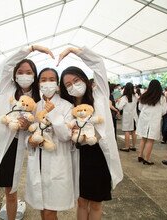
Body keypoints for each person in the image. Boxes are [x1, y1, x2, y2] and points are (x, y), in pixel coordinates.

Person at [0, 45, 53, 220]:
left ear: (34, 76)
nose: (24, 75)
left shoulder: (38, 101)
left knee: (11, 195)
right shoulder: (7, 87)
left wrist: (26, 126)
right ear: (14, 74)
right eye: (20, 71)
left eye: (29, 72)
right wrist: (32, 48)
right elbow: (6, 64)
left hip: (14, 149)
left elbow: (35, 129)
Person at [58, 47, 123, 220]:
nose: (73, 86)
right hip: (79, 155)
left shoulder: (99, 95)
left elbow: (98, 64)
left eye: (76, 80)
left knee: (95, 202)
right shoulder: (67, 106)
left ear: (85, 80)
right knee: (81, 200)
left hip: (99, 155)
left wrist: (74, 50)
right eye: (68, 84)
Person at [26, 68, 74, 219]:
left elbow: (65, 136)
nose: (47, 83)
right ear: (38, 83)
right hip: (38, 162)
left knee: (50, 211)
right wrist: (30, 141)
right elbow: (31, 132)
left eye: (51, 79)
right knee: (42, 207)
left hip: (56, 163)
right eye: (43, 79)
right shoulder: (35, 106)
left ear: (58, 84)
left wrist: (53, 112)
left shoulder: (67, 106)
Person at [136, 80, 167, 165]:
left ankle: (140, 155)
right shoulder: (162, 98)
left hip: (144, 118)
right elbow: (164, 111)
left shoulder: (145, 95)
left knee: (143, 138)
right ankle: (146, 159)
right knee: (150, 139)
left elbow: (140, 107)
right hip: (154, 119)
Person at [116, 82, 138, 152]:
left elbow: (119, 107)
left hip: (127, 117)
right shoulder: (136, 96)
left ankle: (127, 147)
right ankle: (133, 146)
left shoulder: (124, 97)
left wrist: (117, 102)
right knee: (134, 131)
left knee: (127, 131)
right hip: (134, 116)